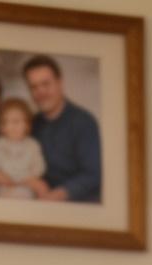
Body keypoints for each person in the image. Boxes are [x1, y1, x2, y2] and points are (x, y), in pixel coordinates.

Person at [23, 55, 101, 202]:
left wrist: (57, 195)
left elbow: (93, 174)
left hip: (80, 205)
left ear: (60, 83)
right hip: (40, 202)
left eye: (46, 84)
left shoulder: (84, 122)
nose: (41, 92)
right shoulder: (31, 124)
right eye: (34, 87)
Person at [0, 98, 48, 199]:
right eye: (7, 122)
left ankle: (42, 208)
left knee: (42, 186)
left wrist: (26, 178)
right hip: (3, 183)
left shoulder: (32, 144)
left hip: (26, 183)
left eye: (17, 121)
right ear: (2, 127)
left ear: (27, 124)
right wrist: (0, 176)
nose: (13, 126)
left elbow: (39, 167)